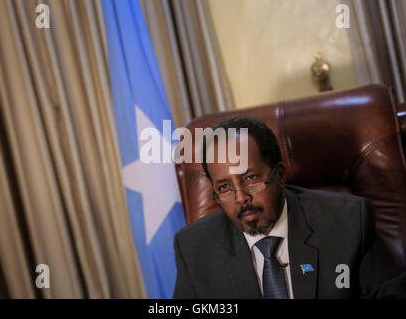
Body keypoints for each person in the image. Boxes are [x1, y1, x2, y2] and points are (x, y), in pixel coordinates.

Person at [173, 116, 405, 299]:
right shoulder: (195, 247)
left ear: (280, 174)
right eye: (224, 187)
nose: (241, 197)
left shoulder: (349, 221)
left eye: (251, 178)